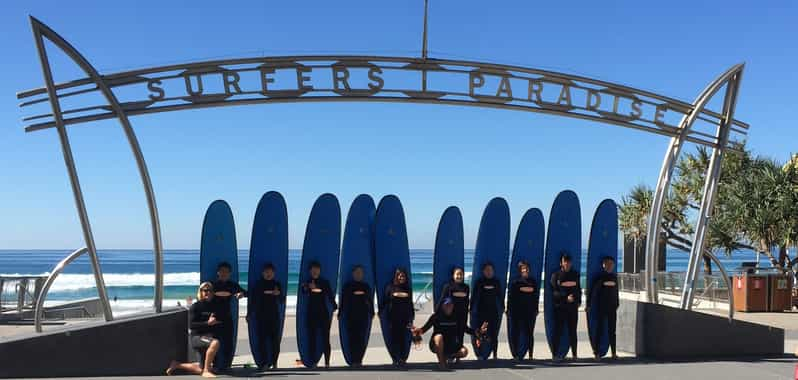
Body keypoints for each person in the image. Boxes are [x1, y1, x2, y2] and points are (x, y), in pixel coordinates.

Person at [413, 298, 488, 370]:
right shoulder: (436, 316)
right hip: (436, 344)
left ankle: (446, 356)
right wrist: (417, 331)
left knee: (464, 352)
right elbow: (424, 329)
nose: (448, 307)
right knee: (439, 337)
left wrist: (479, 332)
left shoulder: (457, 317)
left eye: (450, 305)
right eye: (446, 305)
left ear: (453, 306)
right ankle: (442, 364)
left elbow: (466, 329)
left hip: (451, 345)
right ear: (443, 306)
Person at [166, 282, 221, 378]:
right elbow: (191, 325)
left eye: (210, 290)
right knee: (215, 343)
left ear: (213, 293)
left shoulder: (214, 306)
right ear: (200, 292)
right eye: (205, 290)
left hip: (207, 338)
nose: (207, 292)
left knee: (200, 369)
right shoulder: (195, 306)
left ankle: (176, 365)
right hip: (197, 338)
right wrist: (207, 323)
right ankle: (206, 371)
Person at [247, 263, 283, 369]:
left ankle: (274, 362)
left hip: (274, 316)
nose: (268, 274)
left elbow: (282, 300)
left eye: (270, 272)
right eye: (266, 272)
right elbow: (252, 300)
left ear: (274, 273)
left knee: (274, 341)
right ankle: (263, 363)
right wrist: (249, 314)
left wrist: (278, 294)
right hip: (260, 316)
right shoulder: (258, 285)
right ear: (262, 273)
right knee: (261, 340)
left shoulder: (277, 284)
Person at [300, 261, 337, 368]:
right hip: (311, 314)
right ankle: (313, 362)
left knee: (325, 338)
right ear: (310, 271)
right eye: (313, 270)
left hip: (323, 314)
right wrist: (308, 287)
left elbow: (330, 295)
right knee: (312, 338)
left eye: (317, 270)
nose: (315, 272)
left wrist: (335, 306)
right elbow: (303, 291)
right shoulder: (306, 282)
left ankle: (327, 362)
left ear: (320, 271)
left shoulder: (325, 282)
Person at [210, 262, 246, 371]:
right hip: (214, 317)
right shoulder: (212, 285)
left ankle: (226, 364)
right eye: (222, 271)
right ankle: (215, 365)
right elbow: (202, 295)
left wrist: (241, 294)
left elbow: (246, 293)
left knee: (228, 341)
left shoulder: (232, 285)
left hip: (227, 316)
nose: (224, 273)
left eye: (226, 272)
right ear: (218, 272)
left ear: (230, 273)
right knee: (215, 341)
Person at [339, 265, 374, 367]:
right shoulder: (347, 286)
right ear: (353, 274)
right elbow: (343, 301)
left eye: (361, 273)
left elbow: (370, 301)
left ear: (363, 275)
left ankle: (359, 360)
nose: (359, 274)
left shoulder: (366, 286)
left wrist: (372, 312)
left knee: (362, 337)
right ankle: (354, 360)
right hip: (350, 315)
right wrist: (340, 313)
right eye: (357, 272)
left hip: (363, 315)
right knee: (352, 337)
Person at [586, 256, 619, 360]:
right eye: (607, 264)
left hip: (612, 308)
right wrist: (588, 305)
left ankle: (613, 353)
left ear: (613, 265)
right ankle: (596, 353)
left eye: (611, 264)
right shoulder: (599, 278)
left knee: (612, 331)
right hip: (601, 307)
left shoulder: (614, 277)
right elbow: (592, 293)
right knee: (600, 329)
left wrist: (617, 303)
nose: (609, 266)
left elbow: (616, 292)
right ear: (603, 265)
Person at [551, 253, 581, 361]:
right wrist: (565, 298)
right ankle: (554, 355)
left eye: (569, 261)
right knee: (558, 331)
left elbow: (578, 290)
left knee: (573, 331)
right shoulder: (556, 275)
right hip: (560, 307)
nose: (567, 263)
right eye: (565, 261)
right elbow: (554, 293)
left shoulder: (575, 274)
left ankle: (574, 355)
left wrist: (578, 301)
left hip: (572, 308)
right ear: (561, 263)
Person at [507, 260, 539, 361]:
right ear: (520, 270)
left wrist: (536, 309)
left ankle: (530, 355)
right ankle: (516, 354)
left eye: (526, 268)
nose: (525, 270)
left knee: (529, 333)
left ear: (529, 270)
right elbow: (510, 297)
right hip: (517, 311)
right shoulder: (515, 282)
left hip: (529, 311)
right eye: (523, 269)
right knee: (515, 332)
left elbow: (535, 297)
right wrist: (508, 310)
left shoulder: (533, 282)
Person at [382, 268, 414, 367]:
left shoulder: (407, 289)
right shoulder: (390, 287)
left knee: (403, 338)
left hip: (405, 317)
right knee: (394, 338)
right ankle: (395, 358)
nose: (401, 278)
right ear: (396, 276)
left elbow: (410, 304)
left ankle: (402, 358)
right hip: (393, 317)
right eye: (400, 276)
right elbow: (385, 302)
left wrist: (412, 316)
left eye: (403, 276)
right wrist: (380, 313)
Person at [471, 262, 502, 359]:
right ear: (483, 271)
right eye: (487, 270)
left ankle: (495, 355)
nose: (489, 272)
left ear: (493, 271)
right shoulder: (479, 282)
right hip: (482, 312)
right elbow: (474, 297)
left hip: (493, 313)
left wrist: (503, 307)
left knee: (494, 334)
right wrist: (471, 308)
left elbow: (500, 296)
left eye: (491, 270)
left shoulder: (496, 282)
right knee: (481, 334)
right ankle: (480, 353)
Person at [437, 266, 470, 346]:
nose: (459, 276)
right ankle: (449, 354)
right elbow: (442, 300)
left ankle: (458, 355)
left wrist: (468, 311)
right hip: (452, 315)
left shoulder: (466, 287)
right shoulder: (448, 286)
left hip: (463, 314)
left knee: (461, 334)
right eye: (457, 274)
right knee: (451, 335)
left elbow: (467, 301)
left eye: (461, 274)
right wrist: (437, 311)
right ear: (453, 275)